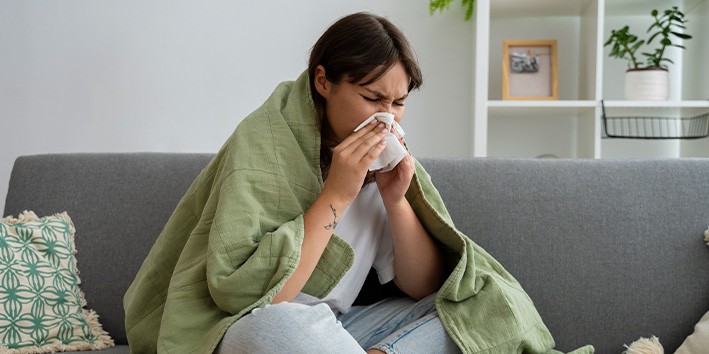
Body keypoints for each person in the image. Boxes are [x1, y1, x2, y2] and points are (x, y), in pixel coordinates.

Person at [124, 12, 593, 354]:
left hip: (347, 330)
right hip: (256, 322)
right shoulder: (264, 142)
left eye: (399, 102)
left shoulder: (387, 159)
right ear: (324, 82)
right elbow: (253, 298)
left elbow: (423, 285)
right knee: (270, 333)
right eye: (372, 98)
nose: (387, 117)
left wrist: (396, 200)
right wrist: (338, 193)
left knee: (478, 309)